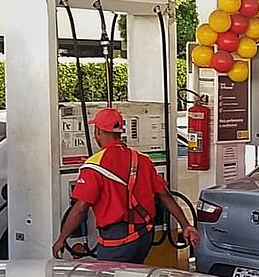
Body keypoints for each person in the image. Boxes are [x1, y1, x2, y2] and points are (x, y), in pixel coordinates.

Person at [52, 108, 200, 263]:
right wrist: (186, 225)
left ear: (98, 131)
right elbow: (164, 195)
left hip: (116, 240)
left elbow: (80, 208)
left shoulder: (94, 165)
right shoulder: (142, 159)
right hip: (143, 237)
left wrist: (62, 239)